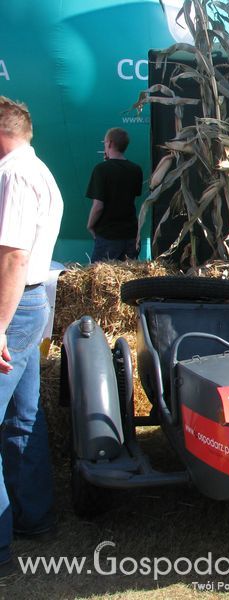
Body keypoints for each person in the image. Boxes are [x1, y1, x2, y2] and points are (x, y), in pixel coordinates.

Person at [0, 97, 63, 575]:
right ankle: (35, 517)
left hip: (14, 306)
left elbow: (14, 258)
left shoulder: (14, 175)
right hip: (30, 302)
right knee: (25, 418)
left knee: (22, 419)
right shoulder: (36, 169)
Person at [85, 127, 143, 262]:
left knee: (101, 280)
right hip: (130, 234)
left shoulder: (101, 169)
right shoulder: (136, 170)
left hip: (108, 235)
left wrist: (90, 225)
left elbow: (98, 205)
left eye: (105, 142)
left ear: (110, 143)